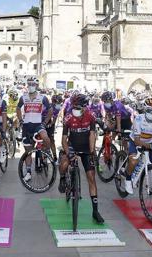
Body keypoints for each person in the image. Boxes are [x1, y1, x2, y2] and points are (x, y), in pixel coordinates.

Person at [57, 93, 104, 224]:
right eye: (74, 106)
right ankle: (62, 178)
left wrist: (92, 151)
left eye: (78, 107)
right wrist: (68, 153)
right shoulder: (68, 117)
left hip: (86, 148)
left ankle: (95, 211)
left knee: (91, 178)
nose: (75, 109)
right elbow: (64, 139)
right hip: (72, 145)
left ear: (85, 107)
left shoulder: (91, 116)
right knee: (64, 163)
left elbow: (92, 135)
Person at [17, 76, 52, 182]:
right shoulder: (23, 97)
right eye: (29, 84)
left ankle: (47, 152)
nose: (31, 86)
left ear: (37, 86)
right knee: (28, 151)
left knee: (46, 137)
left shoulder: (43, 98)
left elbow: (50, 110)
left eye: (33, 84)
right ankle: (28, 172)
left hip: (38, 124)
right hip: (27, 126)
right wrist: (20, 120)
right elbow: (18, 108)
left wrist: (45, 122)